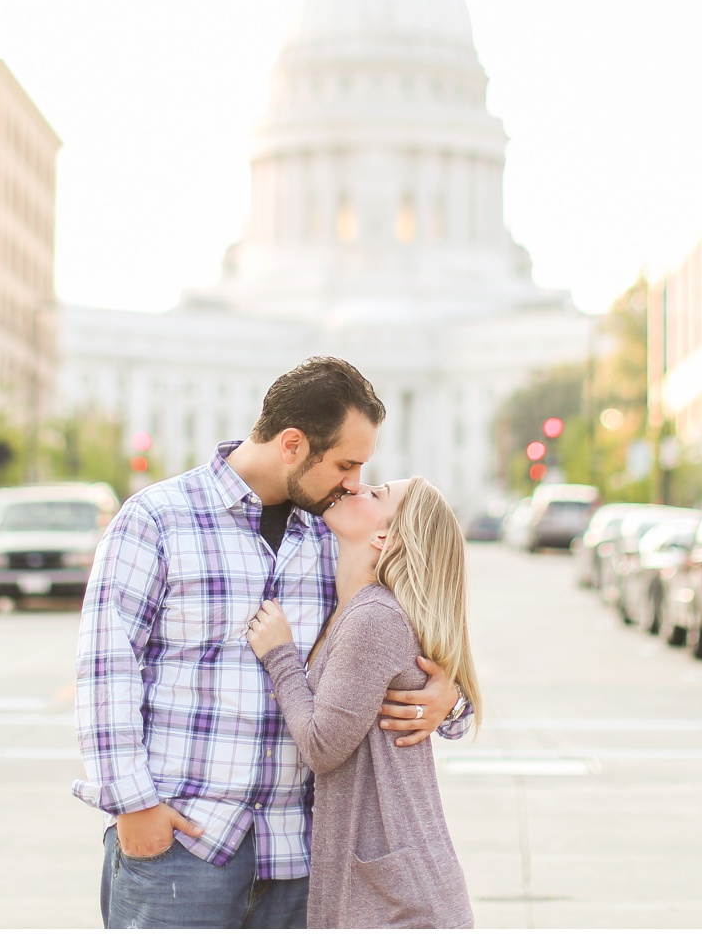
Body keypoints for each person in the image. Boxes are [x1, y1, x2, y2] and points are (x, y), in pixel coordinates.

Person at [75, 357, 470, 929]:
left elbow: (420, 629)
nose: (354, 482)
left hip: (299, 857)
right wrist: (133, 804)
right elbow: (106, 667)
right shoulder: (156, 520)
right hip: (183, 845)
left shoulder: (341, 539)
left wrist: (448, 700)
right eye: (345, 463)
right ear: (292, 445)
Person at [246, 477, 478, 929]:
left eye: (376, 494)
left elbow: (321, 746)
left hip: (397, 903)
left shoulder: (375, 617)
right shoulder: (355, 607)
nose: (356, 489)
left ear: (385, 538)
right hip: (389, 890)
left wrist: (280, 656)